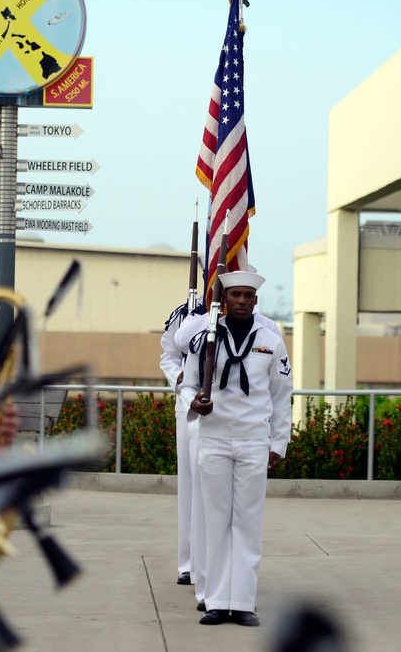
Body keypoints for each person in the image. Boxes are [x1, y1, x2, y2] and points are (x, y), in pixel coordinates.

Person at [181, 268, 293, 627]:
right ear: (224, 301)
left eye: (247, 295)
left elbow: (281, 395)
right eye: (235, 295)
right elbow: (188, 383)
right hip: (214, 438)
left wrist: (279, 442)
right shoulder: (205, 338)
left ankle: (242, 602)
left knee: (247, 523)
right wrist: (193, 403)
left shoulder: (271, 339)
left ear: (256, 301)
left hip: (253, 440)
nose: (241, 300)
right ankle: (215, 600)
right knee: (216, 522)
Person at [159, 294, 205, 587]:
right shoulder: (188, 311)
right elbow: (169, 355)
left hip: (230, 409)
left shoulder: (251, 317)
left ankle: (213, 563)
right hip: (189, 403)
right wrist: (181, 380)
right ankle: (188, 563)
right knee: (189, 484)